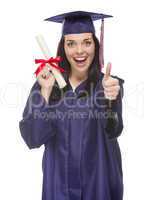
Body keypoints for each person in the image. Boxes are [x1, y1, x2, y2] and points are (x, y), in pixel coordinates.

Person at [19, 11, 124, 200]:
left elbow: (113, 129)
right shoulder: (46, 84)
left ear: (95, 45)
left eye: (86, 42)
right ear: (62, 47)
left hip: (98, 187)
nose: (79, 51)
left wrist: (111, 100)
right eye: (71, 43)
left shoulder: (108, 85)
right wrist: (45, 92)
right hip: (58, 189)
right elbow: (32, 138)